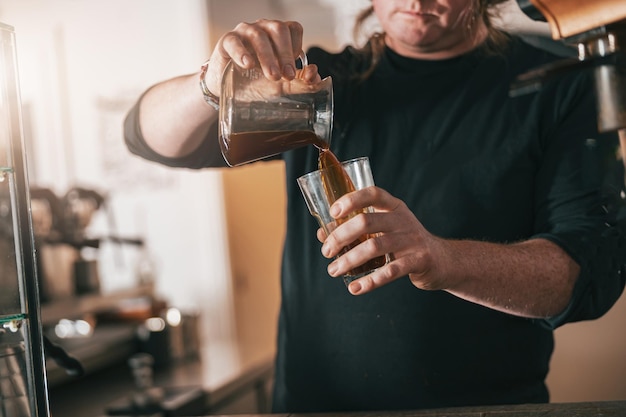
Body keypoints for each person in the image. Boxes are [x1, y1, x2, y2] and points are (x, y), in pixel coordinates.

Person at [124, 0, 626, 412]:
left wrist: (441, 258)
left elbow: (584, 273)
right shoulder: (320, 83)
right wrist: (210, 85)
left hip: (485, 407)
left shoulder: (557, 84)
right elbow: (150, 138)